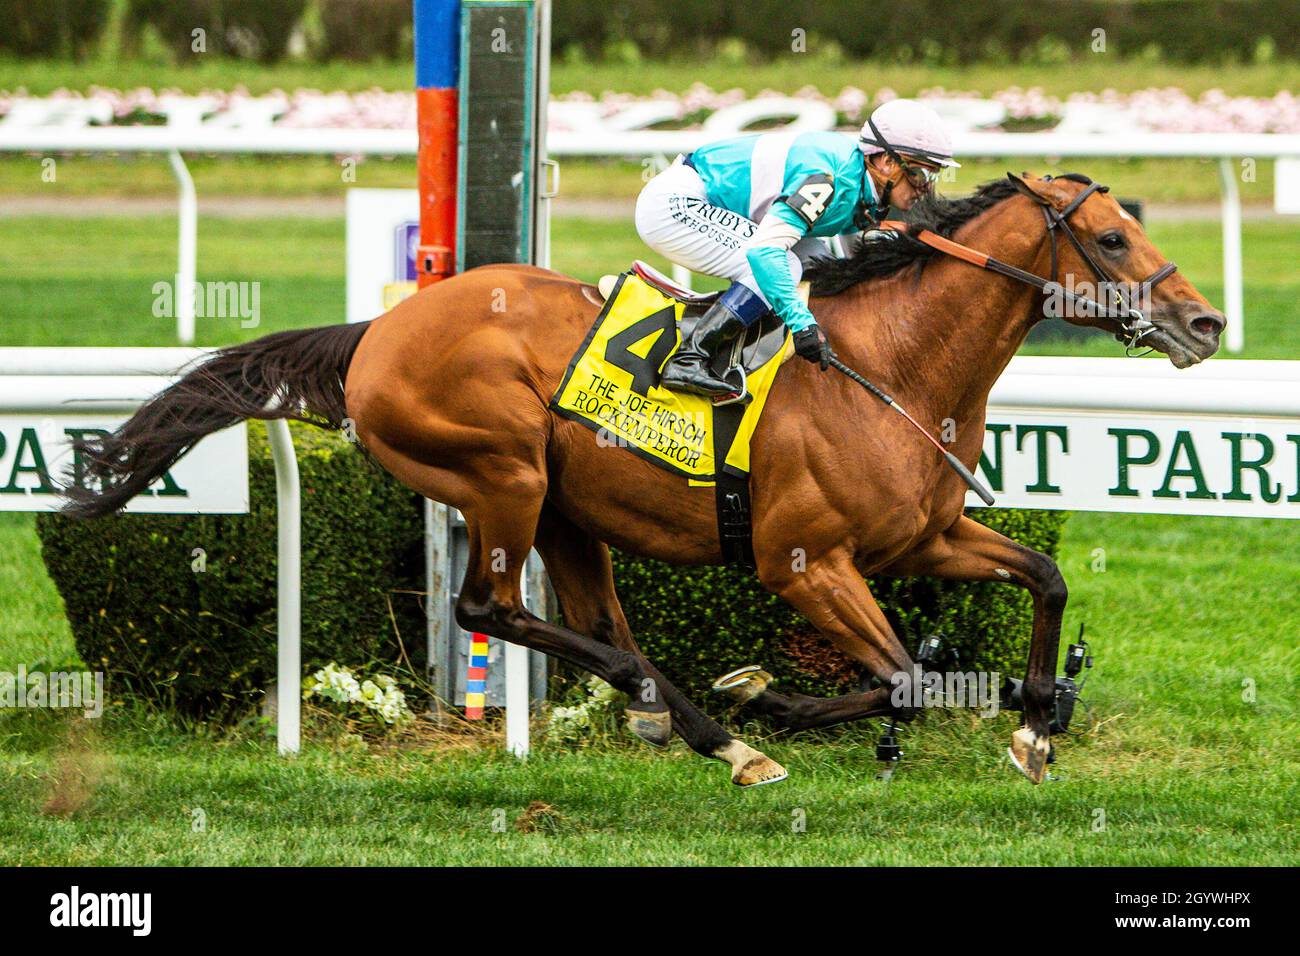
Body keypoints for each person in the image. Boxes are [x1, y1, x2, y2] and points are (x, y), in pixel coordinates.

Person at [635, 98, 960, 397]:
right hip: (676, 204)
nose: (925, 188)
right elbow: (765, 252)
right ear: (887, 162)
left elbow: (849, 263)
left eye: (933, 176)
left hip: (707, 201)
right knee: (783, 265)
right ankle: (690, 357)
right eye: (919, 173)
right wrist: (802, 324)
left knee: (819, 264)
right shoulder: (828, 180)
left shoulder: (862, 183)